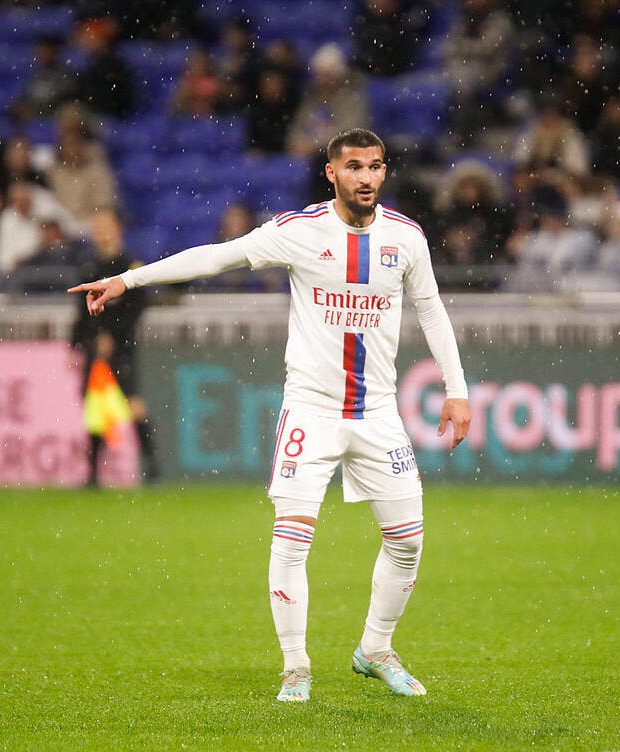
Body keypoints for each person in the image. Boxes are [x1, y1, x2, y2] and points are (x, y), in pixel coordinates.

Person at [69, 128, 471, 702]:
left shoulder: (406, 238)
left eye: (376, 167)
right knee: (292, 542)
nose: (367, 177)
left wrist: (456, 389)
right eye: (354, 167)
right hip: (311, 409)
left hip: (378, 410)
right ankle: (296, 665)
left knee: (407, 539)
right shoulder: (299, 232)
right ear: (331, 173)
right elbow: (216, 257)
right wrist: (129, 279)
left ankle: (375, 649)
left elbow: (431, 310)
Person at [69, 208, 159, 486]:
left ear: (117, 228)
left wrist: (113, 334)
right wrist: (79, 342)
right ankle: (94, 474)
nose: (101, 231)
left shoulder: (129, 267)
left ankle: (152, 467)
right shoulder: (90, 268)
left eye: (106, 225)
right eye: (97, 226)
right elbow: (81, 314)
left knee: (132, 404)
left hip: (122, 349)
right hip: (94, 351)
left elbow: (137, 307)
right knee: (96, 408)